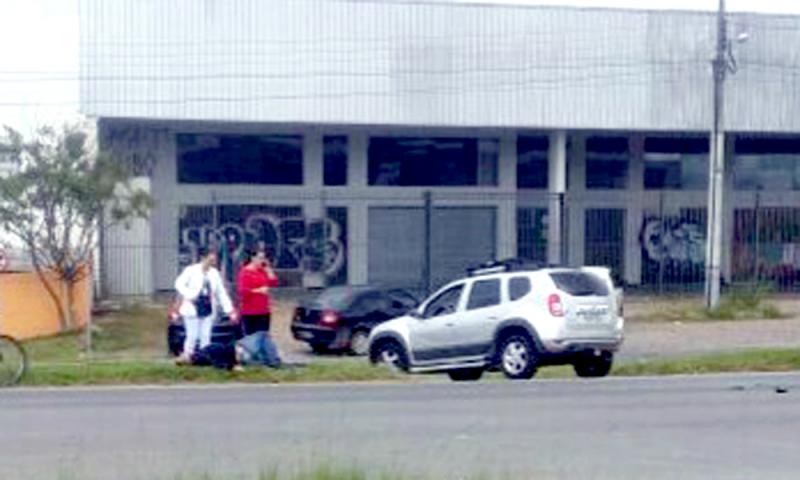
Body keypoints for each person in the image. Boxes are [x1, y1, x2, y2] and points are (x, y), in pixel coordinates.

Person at [174, 247, 237, 364]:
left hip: (207, 308)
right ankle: (187, 357)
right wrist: (190, 295)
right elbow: (179, 283)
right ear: (203, 258)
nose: (213, 261)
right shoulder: (191, 270)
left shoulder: (214, 274)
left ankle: (204, 358)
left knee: (205, 336)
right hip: (193, 307)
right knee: (192, 336)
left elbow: (221, 293)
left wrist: (229, 310)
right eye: (210, 258)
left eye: (214, 259)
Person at [236, 248, 279, 335]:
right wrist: (258, 291)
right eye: (260, 258)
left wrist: (269, 270)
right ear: (253, 258)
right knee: (252, 337)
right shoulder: (245, 272)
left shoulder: (262, 271)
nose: (262, 261)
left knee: (263, 336)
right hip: (250, 311)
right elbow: (242, 291)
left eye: (263, 258)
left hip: (263, 310)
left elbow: (273, 283)